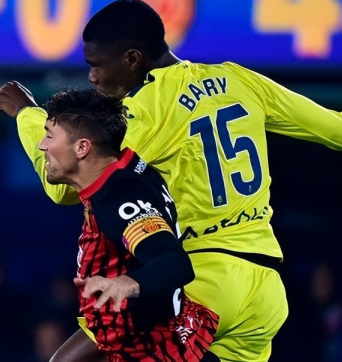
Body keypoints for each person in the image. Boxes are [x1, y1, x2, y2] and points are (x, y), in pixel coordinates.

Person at [0, 0, 342, 362]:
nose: (93, 77)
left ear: (132, 59)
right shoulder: (240, 80)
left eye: (96, 65)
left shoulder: (145, 111)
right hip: (266, 290)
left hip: (202, 280)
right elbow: (330, 127)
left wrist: (27, 113)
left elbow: (64, 183)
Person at [19, 87, 219, 361]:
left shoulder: (121, 200)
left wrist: (129, 282)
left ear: (82, 147)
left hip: (153, 349)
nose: (42, 145)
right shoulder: (124, 168)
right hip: (128, 335)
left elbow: (173, 263)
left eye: (50, 136)